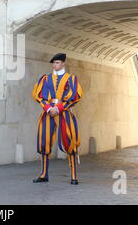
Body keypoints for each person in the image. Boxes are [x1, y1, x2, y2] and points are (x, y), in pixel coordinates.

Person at [31, 53, 83, 185]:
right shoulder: (45, 78)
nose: (55, 65)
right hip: (48, 113)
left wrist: (59, 108)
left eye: (58, 63)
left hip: (64, 112)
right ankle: (43, 174)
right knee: (44, 141)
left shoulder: (71, 79)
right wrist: (49, 108)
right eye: (54, 63)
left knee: (70, 140)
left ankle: (74, 176)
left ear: (63, 64)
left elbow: (75, 96)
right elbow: (38, 96)